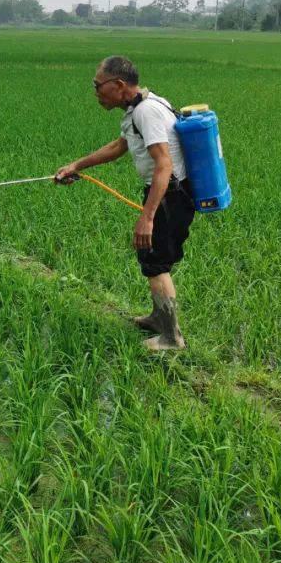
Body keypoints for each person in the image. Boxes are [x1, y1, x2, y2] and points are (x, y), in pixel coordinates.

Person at [55, 55, 195, 350]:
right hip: (169, 194)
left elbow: (163, 166)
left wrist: (147, 217)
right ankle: (159, 319)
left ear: (118, 84)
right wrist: (77, 165)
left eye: (97, 86)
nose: (95, 93)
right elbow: (120, 146)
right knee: (151, 258)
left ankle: (171, 337)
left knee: (155, 262)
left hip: (171, 195)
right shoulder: (140, 108)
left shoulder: (146, 112)